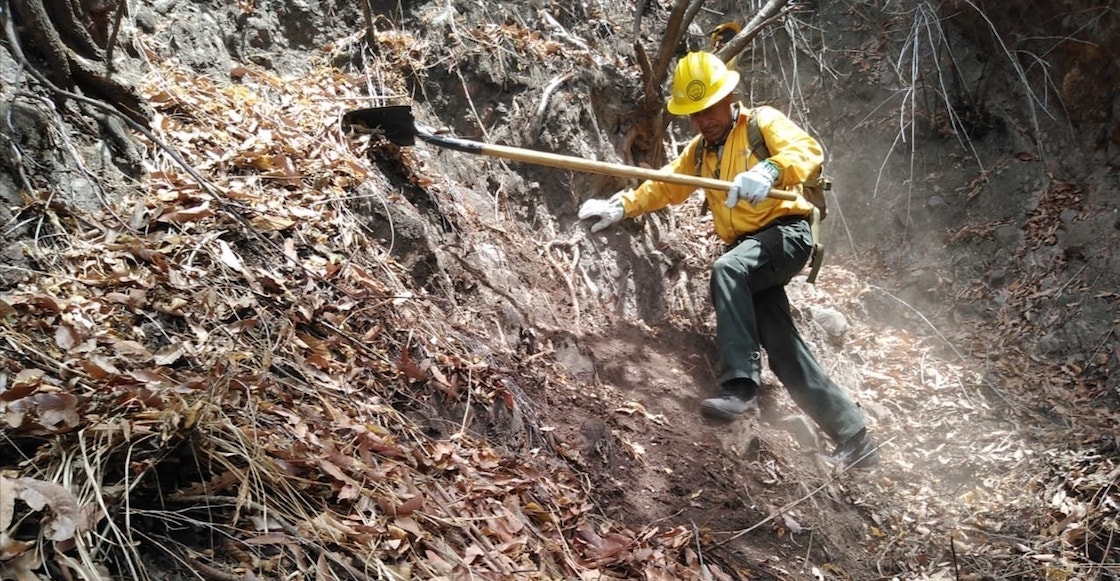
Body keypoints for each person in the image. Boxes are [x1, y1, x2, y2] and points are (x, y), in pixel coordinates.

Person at [578, 51, 878, 469]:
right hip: (751, 249)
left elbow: (807, 151)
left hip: (787, 233)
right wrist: (621, 206)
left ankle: (739, 386)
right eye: (694, 114)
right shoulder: (701, 152)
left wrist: (770, 172)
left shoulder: (761, 124)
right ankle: (855, 438)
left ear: (730, 96)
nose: (704, 120)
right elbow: (667, 185)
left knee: (728, 268)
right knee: (782, 346)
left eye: (710, 108)